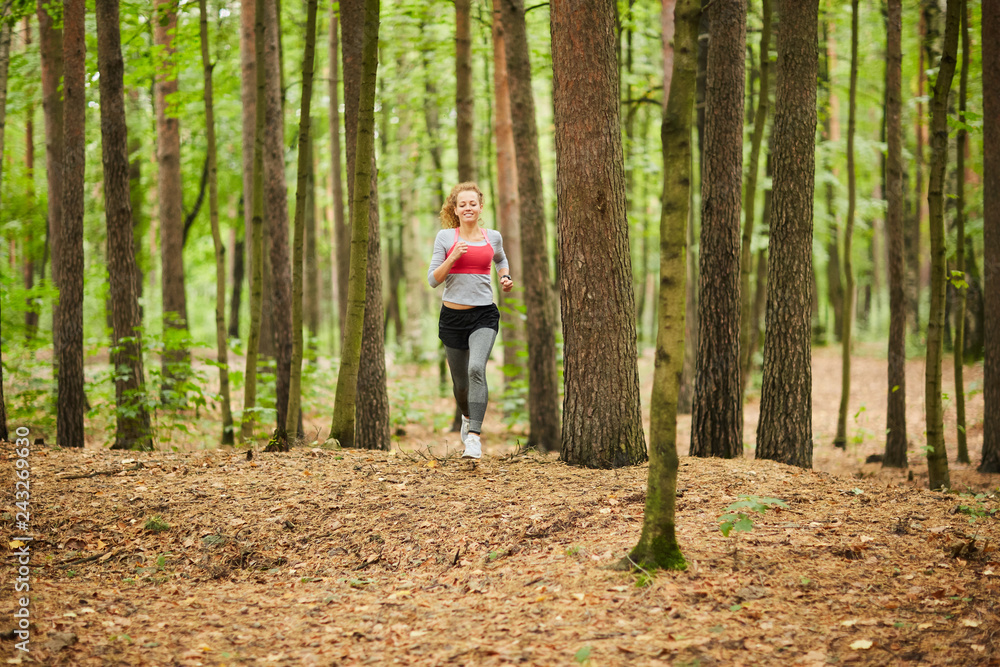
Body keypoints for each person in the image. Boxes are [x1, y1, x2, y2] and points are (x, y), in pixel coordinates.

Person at [428, 182, 513, 459]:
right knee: (461, 385)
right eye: (462, 204)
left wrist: (504, 276)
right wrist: (452, 257)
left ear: (480, 206)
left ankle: (474, 438)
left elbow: (500, 258)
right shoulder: (445, 238)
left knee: (477, 368)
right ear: (455, 209)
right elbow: (433, 280)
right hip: (452, 318)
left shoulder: (493, 237)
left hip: (483, 315)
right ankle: (466, 416)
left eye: (472, 203)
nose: (468, 208)